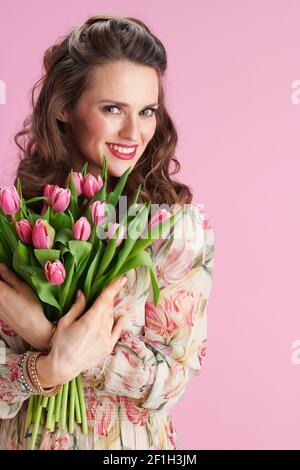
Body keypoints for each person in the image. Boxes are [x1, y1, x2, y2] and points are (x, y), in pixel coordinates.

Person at [0, 15, 215, 450]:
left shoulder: (173, 228)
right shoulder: (15, 221)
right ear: (64, 107)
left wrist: (50, 336)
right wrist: (46, 371)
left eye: (147, 111)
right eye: (113, 108)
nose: (133, 133)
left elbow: (169, 384)